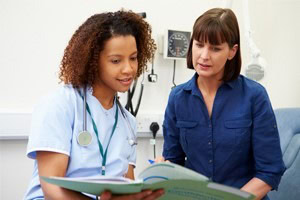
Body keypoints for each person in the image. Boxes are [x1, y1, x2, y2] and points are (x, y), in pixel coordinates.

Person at [24, 10, 164, 200]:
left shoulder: (127, 122)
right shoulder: (59, 105)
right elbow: (51, 188)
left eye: (133, 58)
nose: (128, 69)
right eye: (116, 60)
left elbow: (126, 188)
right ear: (93, 60)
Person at [161, 8, 285, 200]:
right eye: (199, 45)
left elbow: (270, 171)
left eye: (215, 48)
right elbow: (173, 161)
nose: (203, 55)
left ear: (232, 51)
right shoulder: (178, 98)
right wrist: (161, 171)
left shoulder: (254, 96)